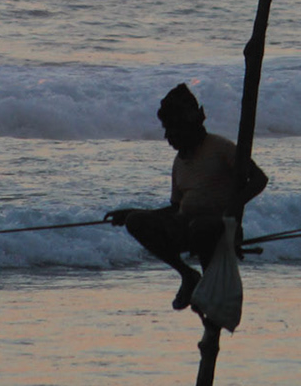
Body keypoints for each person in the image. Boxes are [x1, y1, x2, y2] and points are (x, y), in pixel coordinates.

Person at [106, 83, 268, 310]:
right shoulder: (179, 163)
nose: (167, 136)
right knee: (135, 221)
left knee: (200, 227)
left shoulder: (220, 148)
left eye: (171, 129)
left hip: (218, 228)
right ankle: (187, 275)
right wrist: (133, 213)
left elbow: (259, 179)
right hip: (187, 228)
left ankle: (205, 292)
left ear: (187, 126)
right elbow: (176, 209)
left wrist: (233, 207)